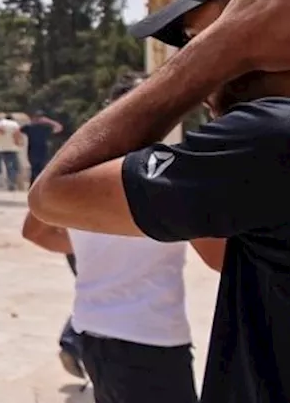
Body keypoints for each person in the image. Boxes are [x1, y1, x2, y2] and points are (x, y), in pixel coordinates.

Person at [29, 0, 291, 402]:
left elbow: (55, 192)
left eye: (202, 38)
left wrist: (220, 52)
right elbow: (223, 256)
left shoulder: (271, 137)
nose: (197, 55)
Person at [23, 72, 226, 402]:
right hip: (151, 340)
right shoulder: (170, 178)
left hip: (93, 335)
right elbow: (218, 257)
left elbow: (35, 230)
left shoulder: (80, 176)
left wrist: (94, 249)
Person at [21, 111, 63, 187]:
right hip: (36, 151)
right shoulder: (31, 127)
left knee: (38, 169)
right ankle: (35, 186)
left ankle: (35, 186)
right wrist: (49, 121)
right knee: (36, 169)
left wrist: (48, 121)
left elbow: (59, 128)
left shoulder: (44, 127)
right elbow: (59, 127)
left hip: (38, 151)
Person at [0, 114, 25, 191]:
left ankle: (10, 183)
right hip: (12, 148)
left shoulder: (0, 123)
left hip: (2, 148)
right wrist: (18, 142)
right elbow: (17, 134)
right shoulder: (14, 124)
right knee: (15, 167)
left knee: (8, 166)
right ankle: (11, 183)